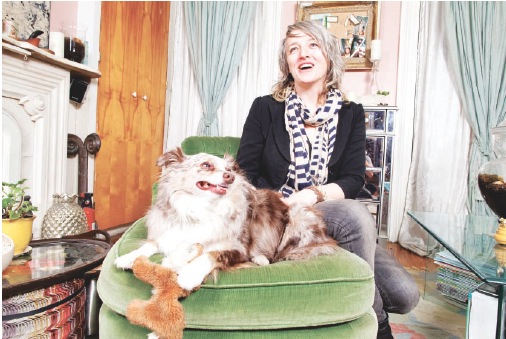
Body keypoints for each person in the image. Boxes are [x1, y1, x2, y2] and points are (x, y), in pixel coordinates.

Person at [236, 21, 419, 339]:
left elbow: (353, 178)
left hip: (325, 210)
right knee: (353, 214)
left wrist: (311, 195)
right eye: (293, 49)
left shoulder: (350, 112)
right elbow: (246, 172)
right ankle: (377, 325)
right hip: (280, 214)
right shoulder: (266, 108)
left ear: (329, 56)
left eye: (312, 45)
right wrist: (283, 201)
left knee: (406, 296)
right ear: (287, 63)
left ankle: (353, 270)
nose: (302, 54)